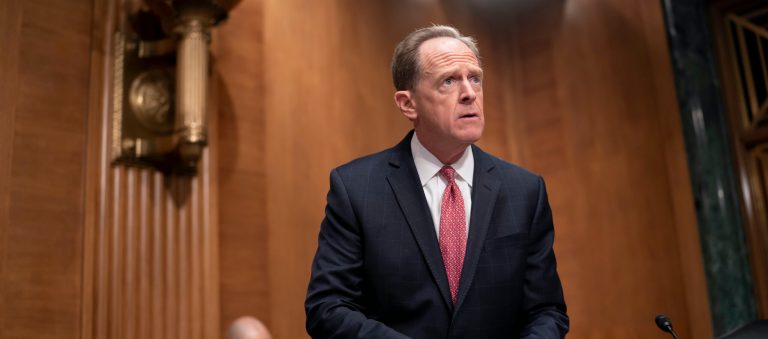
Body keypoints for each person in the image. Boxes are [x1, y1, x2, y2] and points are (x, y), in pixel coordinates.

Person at [305, 25, 568, 338]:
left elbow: (546, 312)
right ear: (408, 104)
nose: (470, 92)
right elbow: (329, 308)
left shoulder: (524, 191)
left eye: (475, 78)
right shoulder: (356, 189)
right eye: (449, 81)